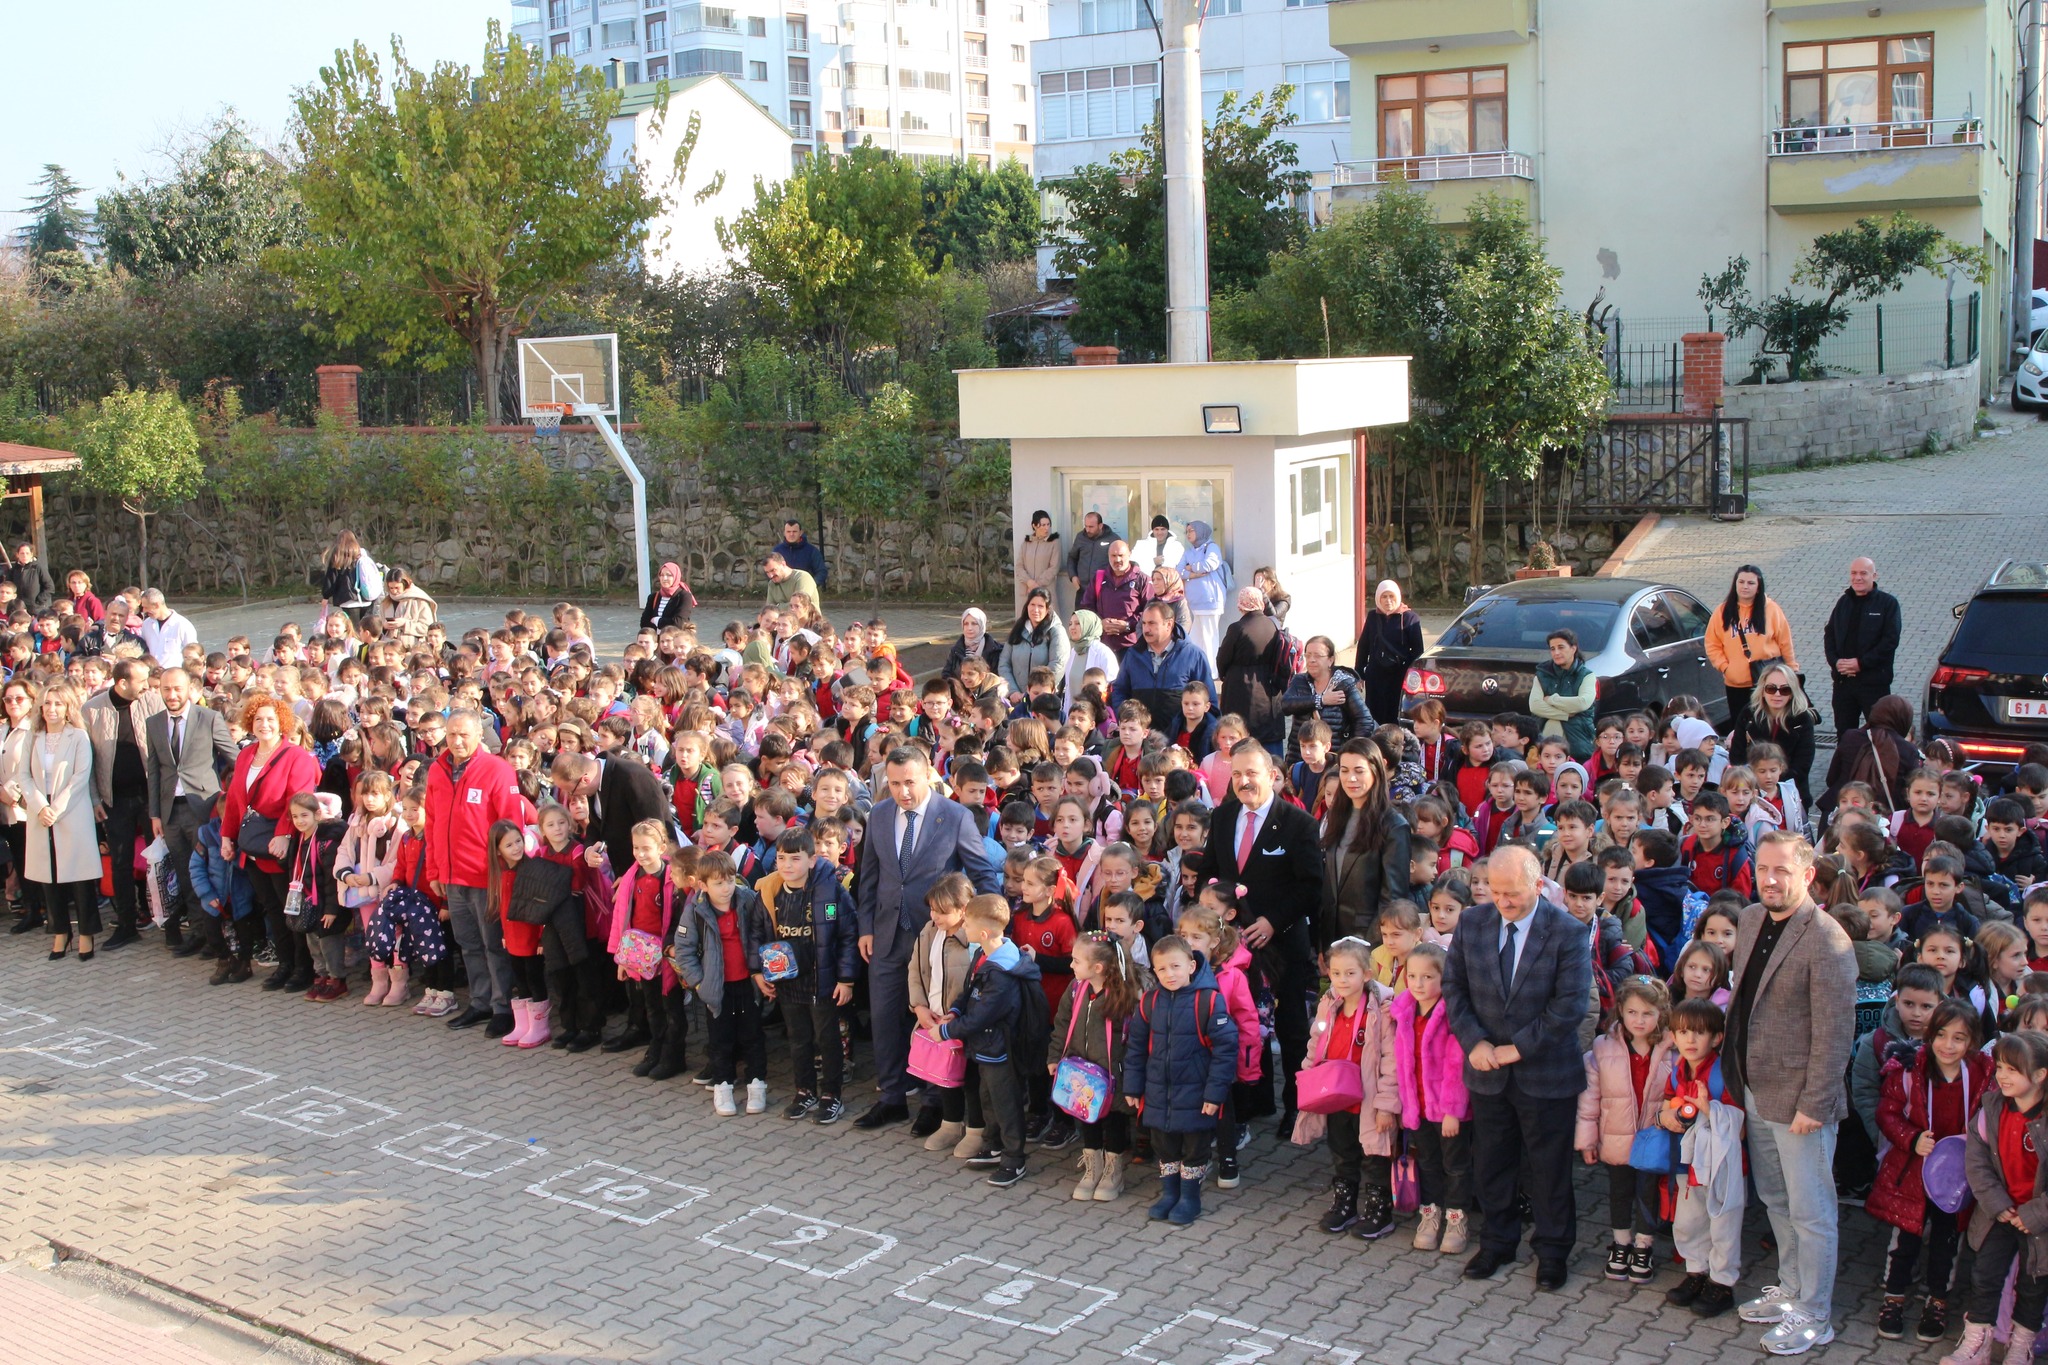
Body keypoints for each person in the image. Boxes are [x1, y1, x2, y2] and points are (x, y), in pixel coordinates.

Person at [1724, 830, 1857, 1356]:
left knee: (1813, 1209)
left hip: (1801, 1102)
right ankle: (1792, 1288)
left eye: (1782, 870)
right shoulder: (1752, 917)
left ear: (1807, 875)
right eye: (1763, 869)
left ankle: (1815, 1313)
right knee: (1775, 1197)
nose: (1770, 879)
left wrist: (1814, 1105)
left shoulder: (1828, 940)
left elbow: (1834, 1034)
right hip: (1755, 1088)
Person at [1442, 844, 1593, 1292]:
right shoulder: (1473, 922)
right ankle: (1498, 1241)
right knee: (1492, 1163)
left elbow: (1568, 1009)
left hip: (1545, 1074)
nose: (1503, 901)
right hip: (1486, 1072)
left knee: (1548, 1170)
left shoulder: (1567, 932)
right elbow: (1454, 988)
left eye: (1512, 893)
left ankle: (1551, 1252)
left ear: (1537, 885)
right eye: (1495, 891)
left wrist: (1514, 1050)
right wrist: (1475, 1042)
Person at [853, 746, 1001, 1130]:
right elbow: (869, 876)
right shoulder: (880, 814)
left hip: (938, 939)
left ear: (929, 777)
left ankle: (934, 1102)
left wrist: (988, 930)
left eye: (910, 783)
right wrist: (866, 927)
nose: (902, 792)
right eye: (895, 783)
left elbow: (981, 874)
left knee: (932, 1019)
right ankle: (892, 1097)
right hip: (886, 935)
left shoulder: (954, 816)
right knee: (886, 1019)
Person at [1204, 740, 1324, 1130]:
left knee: (1290, 1031)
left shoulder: (1298, 824)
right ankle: (1255, 1104)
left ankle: (1295, 1107)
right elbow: (1212, 873)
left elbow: (1311, 887)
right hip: (1232, 949)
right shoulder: (1223, 817)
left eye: (1251, 773)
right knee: (1243, 1026)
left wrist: (1274, 920)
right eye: (1236, 774)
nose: (1243, 781)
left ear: (1272, 775)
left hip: (1283, 944)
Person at [425, 709, 535, 1038]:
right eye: (452, 734)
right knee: (469, 944)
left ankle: (503, 1008)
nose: (457, 741)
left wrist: (507, 875)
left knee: (494, 945)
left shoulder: (497, 770)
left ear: (478, 736)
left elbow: (510, 827)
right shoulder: (436, 770)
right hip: (452, 876)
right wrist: (435, 869)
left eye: (464, 735)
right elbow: (431, 823)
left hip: (487, 878)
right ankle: (480, 1002)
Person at [1125, 932, 1238, 1225]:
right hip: (1158, 1092)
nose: (1169, 974)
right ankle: (1169, 1193)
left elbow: (1226, 1052)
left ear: (1191, 965)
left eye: (1176, 966)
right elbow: (1136, 1048)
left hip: (1197, 1094)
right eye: (1161, 969)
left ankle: (1190, 1197)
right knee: (1165, 1146)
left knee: (1195, 1148)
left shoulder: (1210, 1001)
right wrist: (1133, 1086)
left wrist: (1215, 1095)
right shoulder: (1149, 1002)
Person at [1295, 935, 1399, 1239]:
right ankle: (1345, 1203)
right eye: (1336, 973)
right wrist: (1308, 1080)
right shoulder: (1329, 1004)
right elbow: (1316, 1043)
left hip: (1369, 1098)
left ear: (1366, 974)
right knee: (1342, 1151)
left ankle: (1380, 1210)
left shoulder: (1381, 1011)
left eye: (1350, 973)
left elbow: (1391, 1061)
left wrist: (1386, 1105)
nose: (1342, 979)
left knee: (1375, 1154)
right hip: (1335, 1096)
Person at [935, 893, 1041, 1188]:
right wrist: (955, 1009)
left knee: (1007, 1104)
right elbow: (969, 990)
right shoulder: (985, 955)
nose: (962, 928)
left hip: (1001, 1050)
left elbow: (982, 1016)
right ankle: (994, 1146)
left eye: (966, 924)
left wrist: (945, 1032)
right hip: (985, 1048)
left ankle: (1013, 1159)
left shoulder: (1003, 973)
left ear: (982, 932)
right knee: (987, 1098)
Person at [1575, 976, 1675, 1288]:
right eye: (1632, 1012)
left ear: (1661, 1013)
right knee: (1619, 1193)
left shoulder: (1672, 1051)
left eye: (1648, 1013)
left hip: (1653, 1142)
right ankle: (1621, 1243)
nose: (1639, 1020)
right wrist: (1587, 1140)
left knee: (1648, 1194)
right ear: (1621, 1011)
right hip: (1615, 1139)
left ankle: (1643, 1246)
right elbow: (1590, 1100)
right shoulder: (1602, 1049)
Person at [221, 696, 322, 993]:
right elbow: (235, 801)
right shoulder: (245, 755)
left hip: (280, 848)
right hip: (251, 847)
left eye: (270, 720)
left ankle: (303, 968)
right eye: (258, 719)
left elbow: (299, 798)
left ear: (282, 725)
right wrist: (227, 836)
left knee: (290, 909)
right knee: (271, 909)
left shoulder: (296, 757)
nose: (264, 725)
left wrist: (284, 833)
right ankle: (285, 964)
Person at [761, 826, 858, 1125]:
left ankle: (832, 1095)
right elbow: (756, 932)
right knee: (798, 1039)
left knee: (827, 1039)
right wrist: (758, 973)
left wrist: (846, 979)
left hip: (823, 982)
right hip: (788, 983)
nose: (788, 866)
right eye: (781, 859)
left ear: (812, 860)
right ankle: (804, 1091)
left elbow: (848, 936)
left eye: (795, 858)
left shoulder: (831, 891)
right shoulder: (769, 890)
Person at [670, 848, 773, 1117]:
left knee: (753, 1036)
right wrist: (699, 984)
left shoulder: (748, 900)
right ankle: (723, 1085)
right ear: (703, 885)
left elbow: (763, 934)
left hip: (748, 983)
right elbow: (684, 949)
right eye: (718, 883)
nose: (726, 888)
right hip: (716, 987)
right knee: (720, 1039)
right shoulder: (695, 910)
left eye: (730, 880)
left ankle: (756, 1084)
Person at [145, 667, 236, 961]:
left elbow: (234, 758)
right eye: (166, 689)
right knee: (185, 874)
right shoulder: (154, 723)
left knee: (210, 873)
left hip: (204, 807)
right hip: (170, 812)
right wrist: (155, 814)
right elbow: (154, 771)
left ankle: (218, 935)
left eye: (177, 689)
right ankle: (198, 933)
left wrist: (234, 800)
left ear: (189, 689)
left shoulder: (209, 718)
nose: (171, 695)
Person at [1050, 932, 1138, 1201]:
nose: (1071, 965)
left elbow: (1135, 1040)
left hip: (1114, 1075)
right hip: (1081, 1073)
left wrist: (1133, 1079)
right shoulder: (1076, 988)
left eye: (1076, 961)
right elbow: (1062, 1023)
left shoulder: (1124, 995)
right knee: (1085, 1116)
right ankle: (1093, 1166)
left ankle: (1113, 1170)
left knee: (1113, 1121)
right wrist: (1054, 1056)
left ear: (1097, 967)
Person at [82, 659, 164, 950]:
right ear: (122, 683)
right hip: (113, 800)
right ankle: (127, 925)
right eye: (141, 681)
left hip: (150, 795)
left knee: (162, 859)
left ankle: (173, 924)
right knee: (120, 863)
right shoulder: (91, 710)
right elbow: (87, 761)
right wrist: (94, 799)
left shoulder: (153, 701)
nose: (146, 685)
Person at [23, 682, 99, 962]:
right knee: (48, 875)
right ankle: (59, 931)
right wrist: (40, 806)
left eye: (58, 704)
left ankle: (87, 933)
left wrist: (56, 807)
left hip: (71, 811)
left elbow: (81, 776)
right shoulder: (33, 738)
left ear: (68, 708)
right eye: (47, 704)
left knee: (79, 877)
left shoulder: (78, 736)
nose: (52, 709)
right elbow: (24, 776)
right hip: (40, 812)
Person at [1319, 738, 1412, 946]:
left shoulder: (1394, 826)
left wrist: (1365, 947)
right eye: (1344, 770)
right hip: (1331, 940)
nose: (1350, 778)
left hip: (1368, 942)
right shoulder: (1335, 817)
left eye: (1359, 770)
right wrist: (1322, 944)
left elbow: (1392, 900)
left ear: (1376, 771)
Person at [1705, 565, 1796, 745]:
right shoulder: (1722, 611)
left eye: (1750, 583)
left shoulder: (1771, 609)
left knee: (1768, 729)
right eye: (1741, 581)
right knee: (1741, 730)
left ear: (1758, 586)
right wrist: (1725, 667)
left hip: (1767, 683)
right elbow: (1712, 644)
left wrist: (1792, 670)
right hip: (1736, 684)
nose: (1745, 586)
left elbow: (1785, 641)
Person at [1823, 557, 1901, 735]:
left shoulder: (1888, 604)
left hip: (1874, 684)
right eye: (1853, 573)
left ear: (1874, 576)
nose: (1857, 578)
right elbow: (1830, 634)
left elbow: (1890, 641)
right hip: (1843, 683)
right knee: (1844, 734)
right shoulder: (1843, 602)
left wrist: (1861, 663)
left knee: (1881, 733)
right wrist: (1836, 662)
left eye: (1863, 573)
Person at [1110, 602, 1216, 733]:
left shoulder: (1193, 655)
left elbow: (1208, 698)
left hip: (1180, 740)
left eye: (1152, 623)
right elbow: (1119, 690)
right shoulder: (1133, 655)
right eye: (1144, 623)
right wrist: (1125, 715)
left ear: (1169, 624)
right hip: (1140, 740)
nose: (1146, 629)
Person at [1821, 694, 1924, 819]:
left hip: (1840, 813)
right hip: (1885, 816)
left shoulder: (1851, 737)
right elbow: (1912, 787)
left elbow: (1831, 778)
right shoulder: (1907, 749)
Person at [1215, 585, 1287, 752]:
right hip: (1269, 688)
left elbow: (1223, 660)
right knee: (1269, 738)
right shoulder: (1275, 625)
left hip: (1240, 687)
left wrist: (1225, 674)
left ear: (1241, 604)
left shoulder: (1237, 628)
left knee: (1241, 735)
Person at [1745, 660, 1820, 807]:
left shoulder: (1802, 719)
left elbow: (1802, 765)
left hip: (1791, 795)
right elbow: (1738, 755)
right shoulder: (1749, 714)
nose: (1777, 694)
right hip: (1751, 794)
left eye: (1785, 690)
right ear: (1762, 690)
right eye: (1771, 689)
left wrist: (1774, 785)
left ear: (1792, 693)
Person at [1280, 635, 1367, 762]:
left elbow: (1365, 721)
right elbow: (1285, 705)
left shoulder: (1343, 684)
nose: (1311, 660)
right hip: (1299, 758)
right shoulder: (1299, 681)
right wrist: (1320, 700)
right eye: (1308, 655)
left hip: (1333, 760)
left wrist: (1350, 752)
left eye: (1317, 656)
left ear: (1330, 660)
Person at [1359, 580, 1424, 727]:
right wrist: (1359, 673)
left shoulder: (1409, 618)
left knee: (1395, 713)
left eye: (1391, 596)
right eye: (1384, 596)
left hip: (1399, 675)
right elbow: (1364, 645)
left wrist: (1412, 675)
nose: (1388, 601)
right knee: (1374, 713)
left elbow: (1418, 651)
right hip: (1376, 674)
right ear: (1378, 598)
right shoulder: (1373, 617)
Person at [1529, 628, 1596, 762]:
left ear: (1573, 648)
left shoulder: (1587, 676)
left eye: (1561, 647)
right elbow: (1535, 706)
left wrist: (1552, 699)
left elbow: (1582, 703)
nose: (1556, 652)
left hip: (1579, 735)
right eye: (1552, 649)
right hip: (1546, 732)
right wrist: (1565, 714)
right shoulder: (1542, 674)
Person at [1000, 588, 1068, 707]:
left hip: (1044, 701)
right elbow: (1004, 663)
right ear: (1027, 606)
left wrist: (1035, 693)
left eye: (1041, 606)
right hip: (1017, 701)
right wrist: (1013, 691)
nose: (1036, 610)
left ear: (1047, 609)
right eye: (1032, 604)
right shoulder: (1018, 629)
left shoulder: (1056, 632)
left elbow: (1058, 664)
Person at [1083, 541, 1146, 657]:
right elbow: (1086, 607)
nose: (1117, 560)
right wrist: (1099, 623)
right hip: (1102, 646)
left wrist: (1128, 625)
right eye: (1113, 556)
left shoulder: (1142, 579)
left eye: (1121, 555)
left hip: (1132, 647)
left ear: (1129, 554)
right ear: (1108, 556)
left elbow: (1150, 611)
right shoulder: (1099, 578)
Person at [1179, 521, 1228, 662]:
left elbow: (1210, 564)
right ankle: (1197, 669)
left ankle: (1211, 671)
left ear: (1200, 531)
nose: (1188, 534)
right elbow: (1178, 570)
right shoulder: (1188, 551)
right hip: (1194, 603)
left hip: (1210, 601)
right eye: (1187, 531)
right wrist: (1193, 574)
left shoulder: (1211, 548)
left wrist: (1191, 567)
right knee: (1195, 639)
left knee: (1209, 638)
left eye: (1191, 530)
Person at [1062, 511, 1118, 620]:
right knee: (1080, 622)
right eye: (1086, 526)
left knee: (1100, 623)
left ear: (1100, 525)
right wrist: (1073, 576)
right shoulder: (1080, 537)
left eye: (1091, 527)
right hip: (1082, 590)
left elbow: (1119, 563)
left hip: (1103, 591)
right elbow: (1072, 557)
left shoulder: (1112, 539)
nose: (1088, 530)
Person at [318, 531, 383, 625]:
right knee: (365, 629)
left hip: (348, 600)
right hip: (366, 598)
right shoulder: (362, 555)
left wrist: (326, 596)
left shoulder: (337, 558)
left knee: (354, 629)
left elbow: (331, 580)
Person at [133, 589, 198, 671]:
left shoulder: (182, 624)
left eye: (146, 607)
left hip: (174, 675)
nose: (144, 611)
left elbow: (193, 653)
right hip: (152, 675)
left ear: (156, 605)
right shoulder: (146, 624)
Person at [1013, 510, 1061, 618]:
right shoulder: (1026, 543)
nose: (1046, 528)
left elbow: (1054, 567)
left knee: (1048, 623)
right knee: (1025, 625)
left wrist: (1037, 584)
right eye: (1043, 525)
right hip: (1027, 592)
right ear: (1034, 526)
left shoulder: (1054, 542)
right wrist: (1029, 582)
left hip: (1046, 590)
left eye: (1048, 524)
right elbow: (1019, 566)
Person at [1064, 610, 1119, 702]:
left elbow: (1112, 686)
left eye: (1078, 623)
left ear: (1089, 626)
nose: (1072, 627)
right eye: (1070, 624)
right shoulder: (1074, 651)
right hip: (1074, 713)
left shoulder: (1103, 652)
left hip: (1095, 712)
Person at [941, 608, 1003, 682]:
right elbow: (946, 676)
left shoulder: (996, 650)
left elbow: (999, 678)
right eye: (966, 624)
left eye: (974, 623)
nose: (969, 628)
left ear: (981, 625)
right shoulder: (956, 650)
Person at [769, 518, 826, 589]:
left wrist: (810, 585)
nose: (791, 534)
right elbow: (769, 570)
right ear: (784, 533)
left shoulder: (811, 551)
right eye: (788, 531)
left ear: (800, 532)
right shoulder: (777, 551)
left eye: (794, 531)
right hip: (782, 591)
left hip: (805, 591)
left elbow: (821, 571)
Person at [639, 561, 695, 631]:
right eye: (662, 575)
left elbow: (679, 623)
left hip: (675, 640)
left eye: (669, 575)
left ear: (676, 577)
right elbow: (644, 623)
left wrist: (657, 621)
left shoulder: (684, 596)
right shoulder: (653, 597)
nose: (664, 578)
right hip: (657, 640)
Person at [8, 543, 53, 616]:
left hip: (36, 610)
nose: (24, 555)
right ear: (17, 555)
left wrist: (38, 601)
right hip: (18, 610)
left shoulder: (38, 568)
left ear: (31, 554)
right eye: (22, 553)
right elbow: (8, 587)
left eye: (27, 553)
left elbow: (49, 587)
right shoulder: (13, 570)